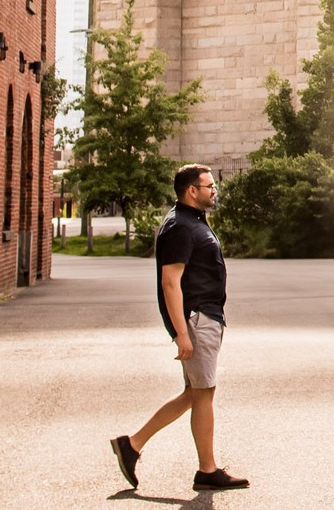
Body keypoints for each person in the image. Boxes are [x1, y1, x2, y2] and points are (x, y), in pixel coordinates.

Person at [112, 165, 248, 492]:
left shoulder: (192, 222)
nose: (214, 190)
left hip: (206, 317)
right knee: (203, 393)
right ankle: (207, 469)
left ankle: (132, 445)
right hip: (197, 319)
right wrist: (182, 333)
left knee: (195, 392)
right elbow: (170, 283)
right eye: (209, 185)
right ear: (192, 190)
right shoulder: (180, 227)